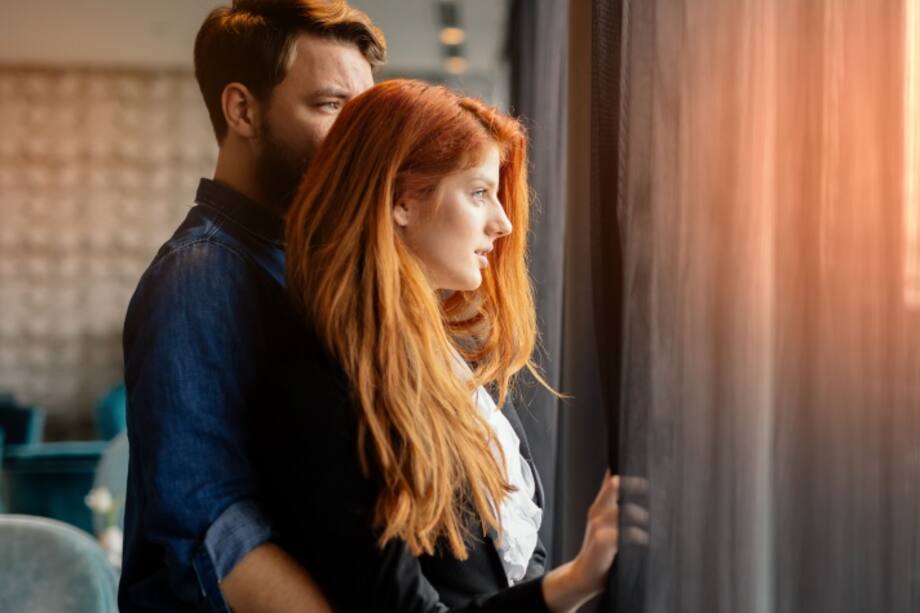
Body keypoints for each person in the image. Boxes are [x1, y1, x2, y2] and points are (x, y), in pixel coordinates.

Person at [249, 79, 623, 612]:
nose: (504, 222)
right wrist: (575, 581)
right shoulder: (324, 380)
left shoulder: (458, 361)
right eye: (478, 193)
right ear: (401, 201)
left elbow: (514, 564)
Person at [119, 1, 385, 610]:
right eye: (331, 106)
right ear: (243, 109)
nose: (357, 138)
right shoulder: (198, 275)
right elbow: (212, 528)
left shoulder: (307, 262)